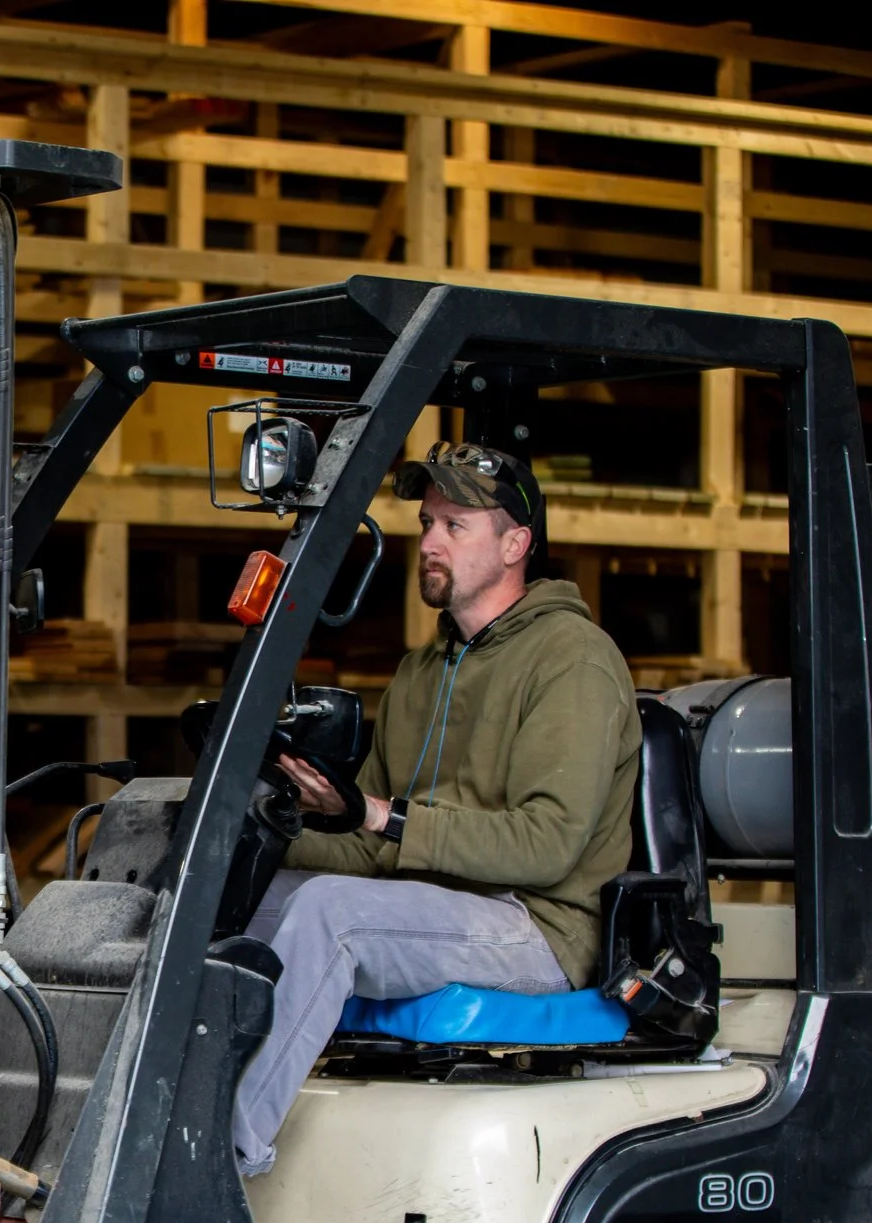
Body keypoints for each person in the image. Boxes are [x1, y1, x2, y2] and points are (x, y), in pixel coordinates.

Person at [231, 442, 642, 1175]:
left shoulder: (573, 659)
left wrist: (382, 815)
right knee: (236, 900)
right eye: (427, 524)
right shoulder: (424, 671)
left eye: (456, 526)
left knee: (332, 914)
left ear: (515, 544)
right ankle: (132, 1125)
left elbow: (546, 845)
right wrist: (261, 838)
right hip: (430, 908)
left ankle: (221, 1156)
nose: (430, 543)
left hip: (535, 924)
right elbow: (372, 847)